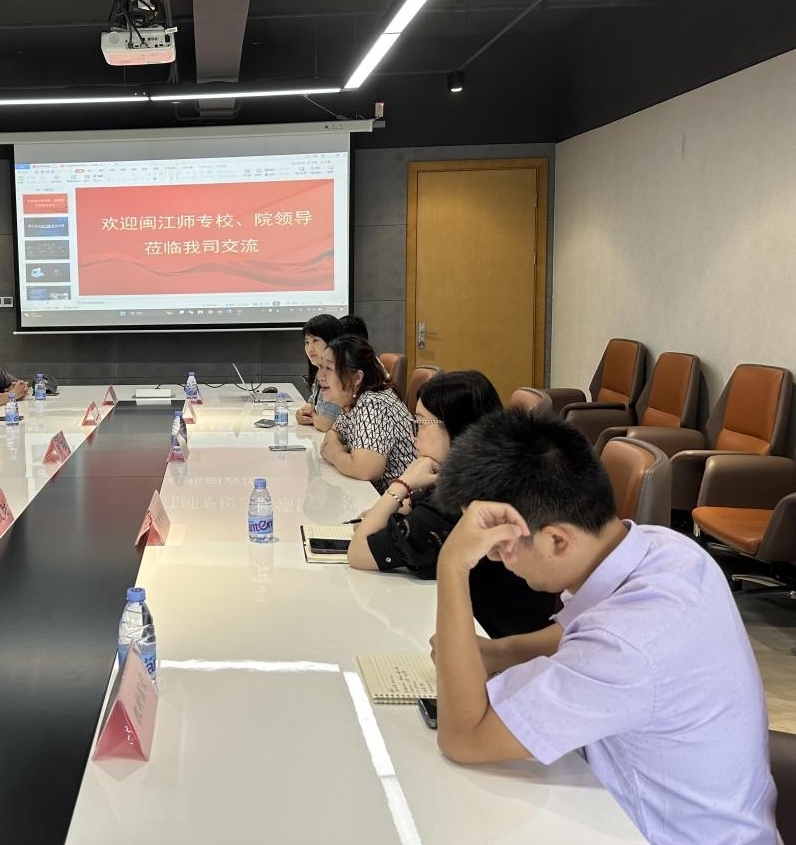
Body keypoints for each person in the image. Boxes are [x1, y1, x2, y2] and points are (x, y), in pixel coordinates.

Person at [430, 410, 778, 843]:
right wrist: (498, 652)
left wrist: (452, 564)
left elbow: (464, 738)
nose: (494, 559)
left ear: (556, 540)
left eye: (499, 548)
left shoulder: (626, 647)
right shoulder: (668, 548)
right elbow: (577, 632)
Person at [347, 371, 557, 637]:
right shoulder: (493, 470)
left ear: (457, 428)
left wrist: (402, 484)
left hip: (490, 640)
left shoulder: (456, 502)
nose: (414, 437)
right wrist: (401, 505)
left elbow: (359, 554)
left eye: (421, 424)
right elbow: (393, 518)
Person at [317, 335, 415, 492]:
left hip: (400, 501)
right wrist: (341, 453)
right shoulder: (354, 400)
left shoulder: (373, 403)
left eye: (328, 368)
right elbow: (334, 432)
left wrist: (335, 455)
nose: (320, 376)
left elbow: (365, 470)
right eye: (320, 367)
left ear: (356, 377)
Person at [294, 313, 345, 432]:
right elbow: (313, 400)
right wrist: (304, 412)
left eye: (315, 340)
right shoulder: (321, 369)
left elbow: (326, 424)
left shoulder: (338, 372)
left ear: (332, 340)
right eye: (307, 342)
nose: (310, 348)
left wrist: (312, 415)